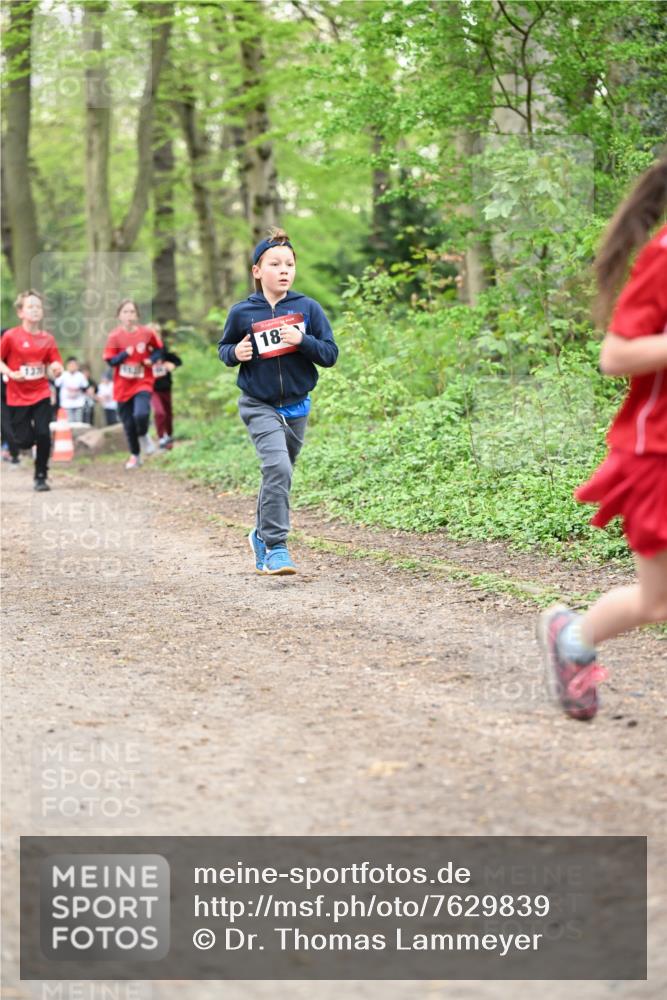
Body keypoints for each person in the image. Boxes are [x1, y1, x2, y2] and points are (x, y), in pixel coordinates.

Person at [538, 155, 667, 721]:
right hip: (658, 453)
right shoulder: (665, 257)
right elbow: (614, 356)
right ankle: (572, 639)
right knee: (657, 601)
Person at [218, 227, 338, 575]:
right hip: (259, 404)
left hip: (298, 405)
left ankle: (259, 536)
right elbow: (224, 348)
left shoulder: (307, 308)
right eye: (275, 264)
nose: (284, 270)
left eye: (289, 264)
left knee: (279, 476)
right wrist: (235, 352)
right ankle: (276, 546)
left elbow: (329, 354)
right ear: (257, 271)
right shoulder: (243, 312)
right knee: (277, 468)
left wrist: (302, 340)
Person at [0, 290, 63, 490]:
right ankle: (30, 446)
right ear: (21, 312)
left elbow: (55, 361)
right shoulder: (10, 337)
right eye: (30, 306)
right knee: (23, 441)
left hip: (41, 392)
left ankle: (41, 475)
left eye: (38, 307)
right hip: (17, 396)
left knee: (44, 433)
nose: (35, 310)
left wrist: (56, 368)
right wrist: (10, 372)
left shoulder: (47, 338)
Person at [103, 300, 163, 469]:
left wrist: (151, 359)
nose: (129, 316)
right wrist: (124, 355)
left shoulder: (146, 333)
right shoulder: (114, 337)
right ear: (119, 316)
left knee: (141, 414)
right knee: (128, 424)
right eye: (125, 312)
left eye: (132, 312)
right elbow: (111, 361)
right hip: (122, 386)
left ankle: (143, 434)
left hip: (142, 381)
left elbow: (159, 350)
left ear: (137, 315)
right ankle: (135, 455)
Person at [147, 322, 182, 449]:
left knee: (168, 413)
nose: (154, 336)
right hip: (151, 387)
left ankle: (169, 436)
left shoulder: (163, 350)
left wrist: (171, 365)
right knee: (160, 412)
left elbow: (177, 361)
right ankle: (161, 437)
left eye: (157, 333)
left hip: (165, 385)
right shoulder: (144, 352)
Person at [55, 357, 89, 423]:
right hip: (66, 403)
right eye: (71, 365)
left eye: (74, 365)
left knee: (78, 422)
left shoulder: (80, 375)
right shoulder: (63, 375)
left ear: (77, 366)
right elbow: (57, 384)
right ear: (67, 366)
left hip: (78, 403)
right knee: (69, 422)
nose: (72, 367)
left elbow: (85, 386)